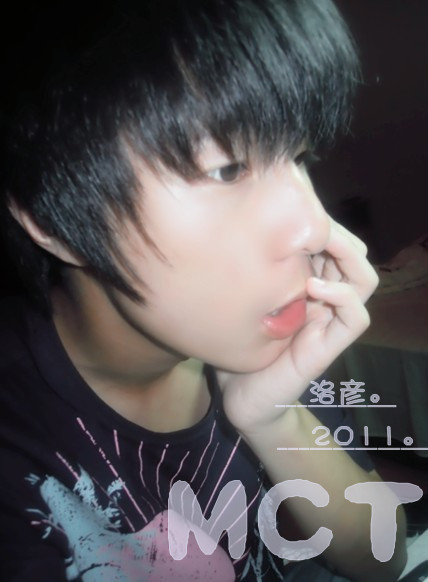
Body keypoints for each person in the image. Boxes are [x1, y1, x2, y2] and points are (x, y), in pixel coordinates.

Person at [0, 0, 407, 580]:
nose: (314, 228)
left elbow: (382, 558)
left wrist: (274, 420)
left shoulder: (244, 337)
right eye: (228, 169)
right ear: (52, 218)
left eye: (299, 156)